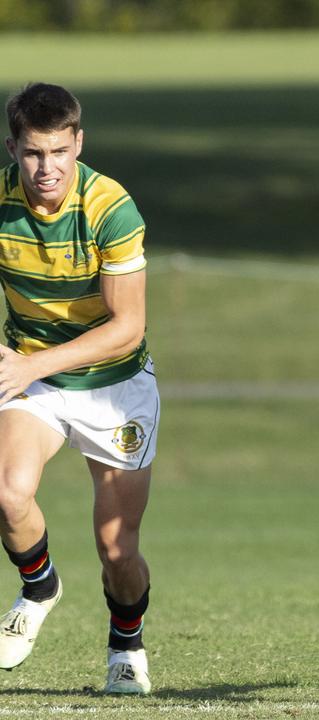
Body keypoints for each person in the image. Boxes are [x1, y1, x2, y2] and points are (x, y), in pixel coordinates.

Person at [0, 83, 157, 695]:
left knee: (117, 550)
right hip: (32, 376)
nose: (48, 169)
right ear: (13, 148)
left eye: (60, 152)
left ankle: (126, 642)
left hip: (115, 386)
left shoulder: (111, 208)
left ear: (79, 143)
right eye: (35, 154)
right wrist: (25, 366)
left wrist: (33, 366)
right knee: (8, 495)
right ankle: (39, 586)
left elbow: (128, 328)